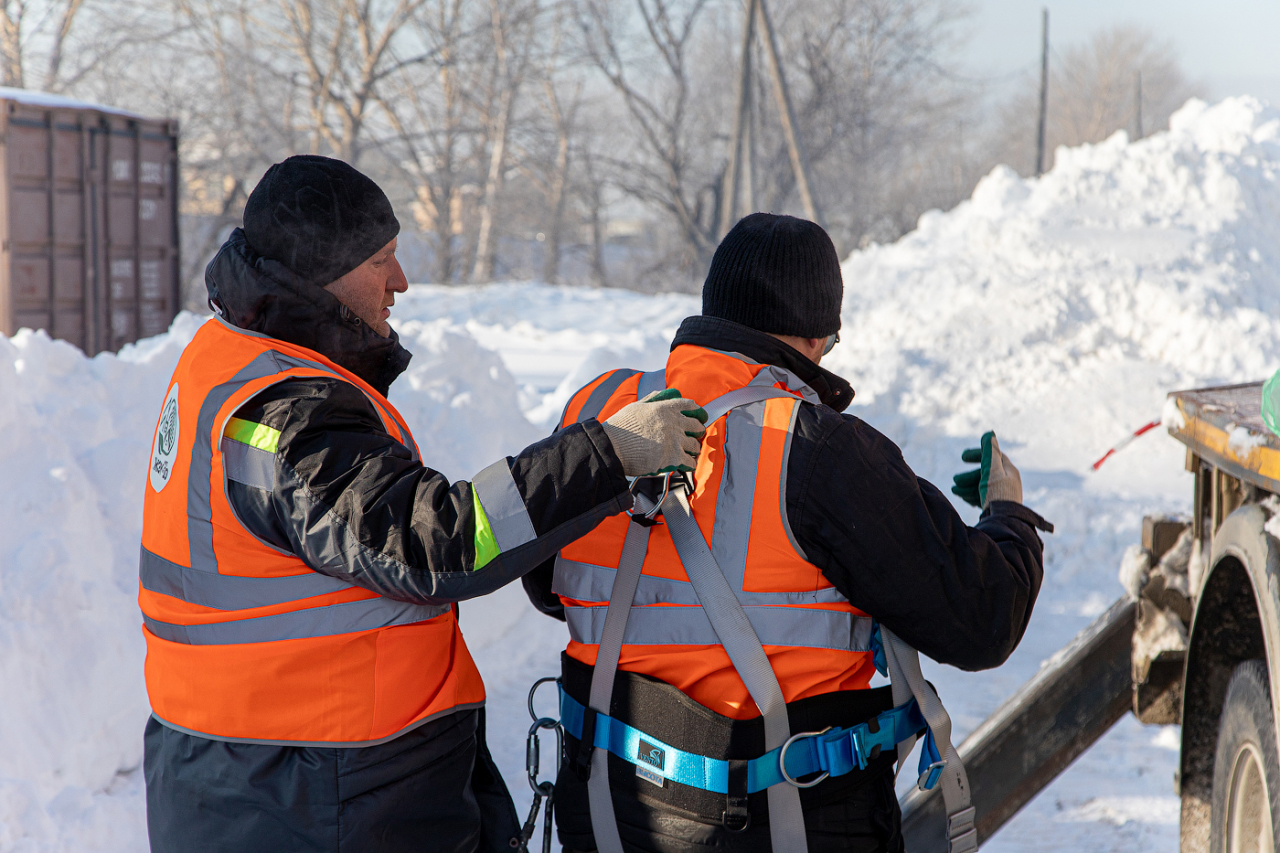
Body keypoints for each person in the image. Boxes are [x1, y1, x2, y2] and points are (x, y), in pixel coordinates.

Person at [138, 155, 708, 853]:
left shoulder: (233, 362)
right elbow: (439, 541)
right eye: (383, 260)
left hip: (259, 776)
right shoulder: (289, 420)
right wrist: (607, 456)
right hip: (316, 792)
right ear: (325, 275)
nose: (400, 281)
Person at [522, 212, 1053, 853]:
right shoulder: (817, 448)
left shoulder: (596, 409)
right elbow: (982, 620)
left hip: (608, 813)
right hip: (779, 821)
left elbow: (549, 585)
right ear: (820, 335)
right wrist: (1009, 514)